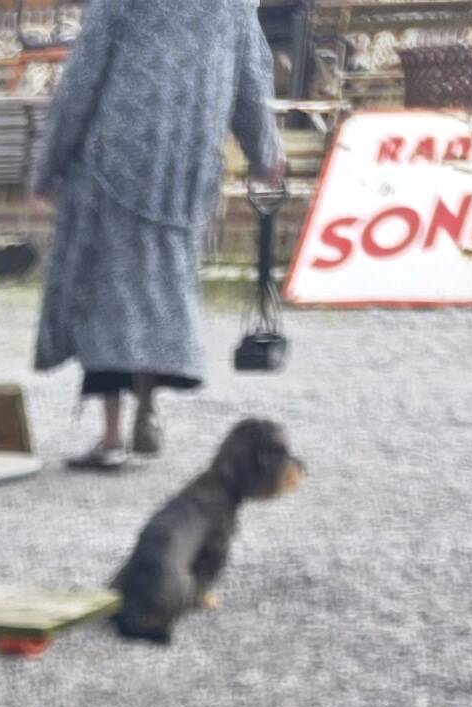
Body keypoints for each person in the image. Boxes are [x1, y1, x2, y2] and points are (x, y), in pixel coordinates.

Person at [33, 0, 285, 470]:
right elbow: (252, 78)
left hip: (111, 165)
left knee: (106, 298)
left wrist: (49, 165)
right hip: (184, 171)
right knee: (160, 292)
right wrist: (265, 150)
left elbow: (83, 79)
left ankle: (111, 436)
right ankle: (147, 407)